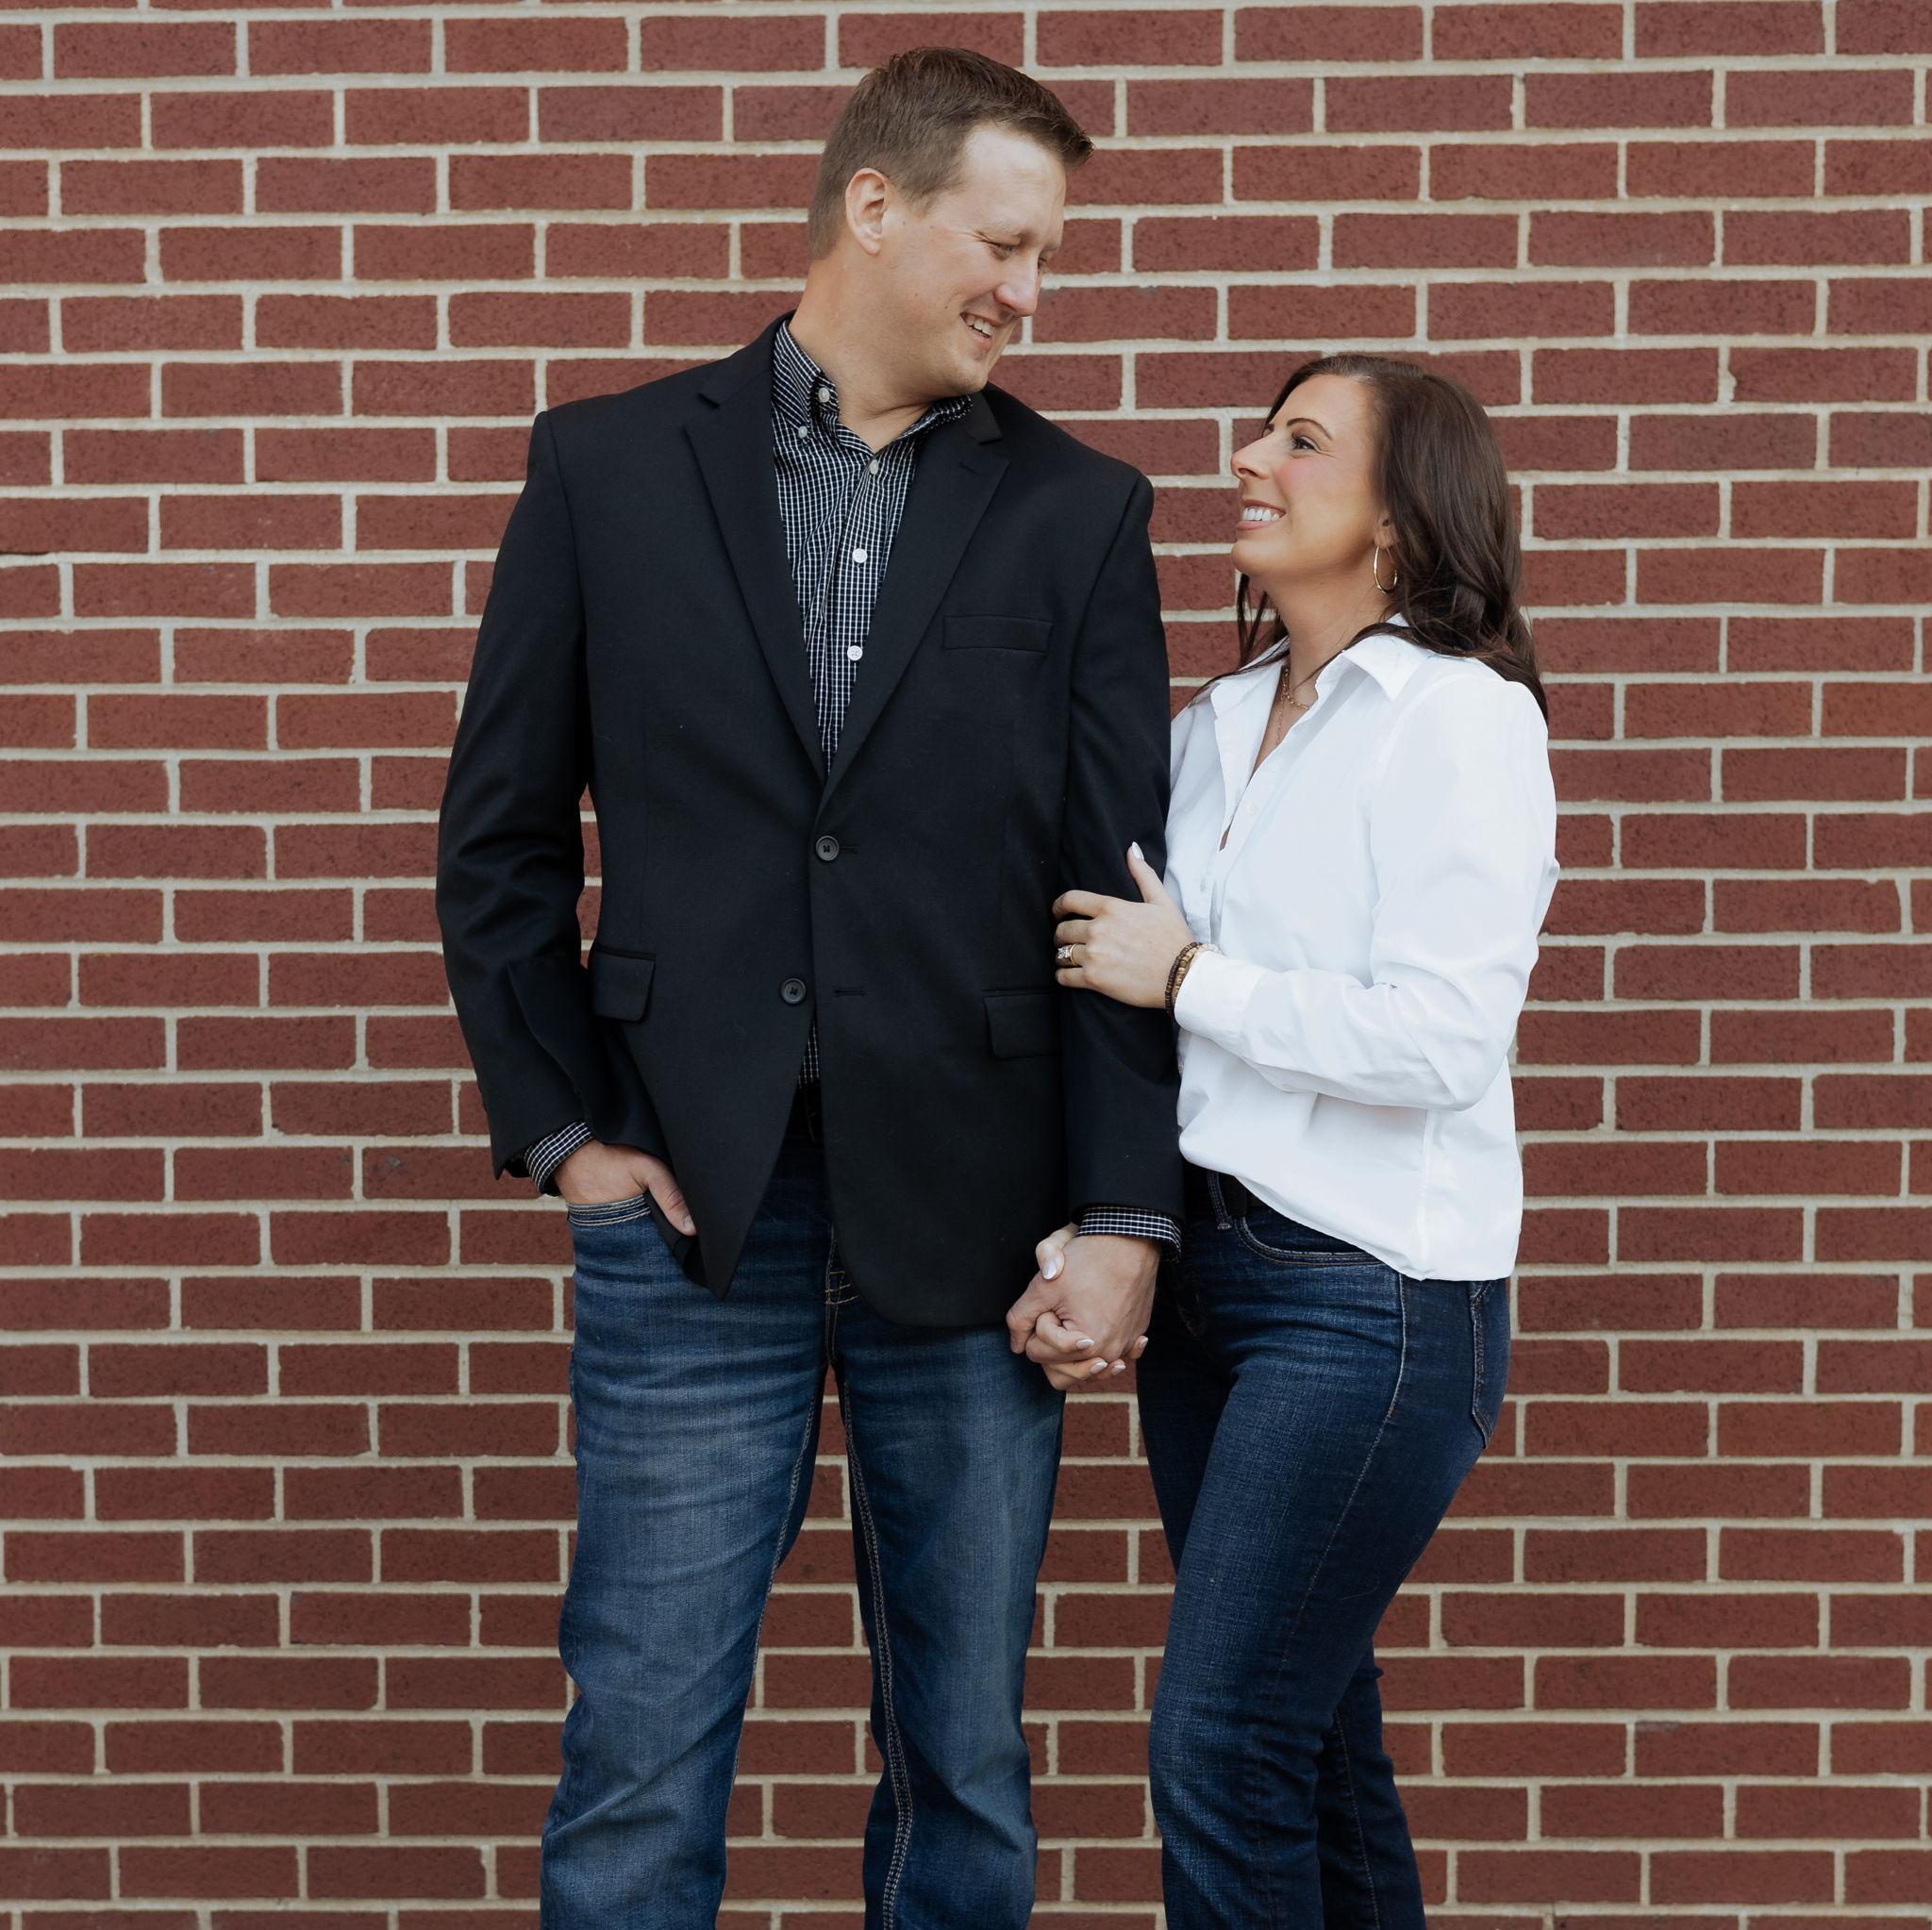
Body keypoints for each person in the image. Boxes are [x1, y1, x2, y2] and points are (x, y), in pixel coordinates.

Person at [433, 47, 1183, 1928]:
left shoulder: (1081, 512)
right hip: (692, 1207)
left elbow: (1117, 889)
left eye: (1047, 254)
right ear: (874, 205)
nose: (1031, 290)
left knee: (964, 1756)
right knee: (640, 1746)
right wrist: (565, 1136)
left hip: (977, 1211)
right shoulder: (606, 467)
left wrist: (1122, 1214)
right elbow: (499, 836)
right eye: (1004, 242)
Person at [1020, 353, 1560, 1924]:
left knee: (1223, 1735)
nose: (1249, 458)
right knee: (1311, 1738)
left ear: (1398, 516)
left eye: (1302, 441)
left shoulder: (1459, 721)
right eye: (1264, 431)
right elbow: (1146, 1020)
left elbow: (1442, 1040)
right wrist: (1098, 1216)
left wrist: (1195, 974)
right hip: (1211, 1284)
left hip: (1373, 1296)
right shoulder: (1216, 723)